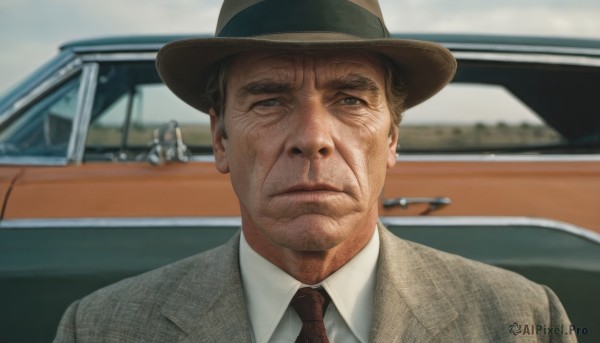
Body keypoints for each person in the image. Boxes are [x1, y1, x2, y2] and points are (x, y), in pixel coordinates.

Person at [54, 0, 576, 342]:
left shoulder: (525, 320)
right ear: (219, 140)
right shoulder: (101, 328)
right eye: (269, 100)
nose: (312, 137)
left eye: (350, 99)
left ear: (392, 137)